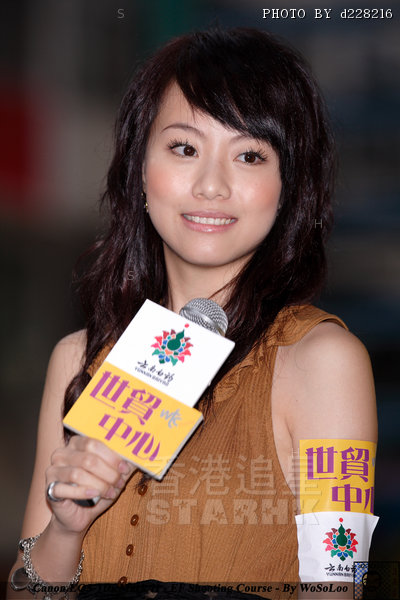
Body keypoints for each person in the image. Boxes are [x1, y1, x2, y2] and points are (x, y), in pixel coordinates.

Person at [8, 27, 377, 599]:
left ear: (289, 186)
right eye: (185, 148)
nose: (211, 185)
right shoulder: (78, 361)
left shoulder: (325, 363)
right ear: (139, 166)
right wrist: (66, 528)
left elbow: (338, 585)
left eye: (249, 155)